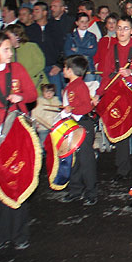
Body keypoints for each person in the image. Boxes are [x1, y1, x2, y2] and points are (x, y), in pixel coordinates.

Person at [0, 30, 37, 252]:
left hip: (17, 131)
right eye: (6, 49)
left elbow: (31, 94)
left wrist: (21, 98)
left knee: (18, 180)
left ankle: (19, 233)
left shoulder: (17, 69)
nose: (11, 52)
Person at [94, 16, 132, 182]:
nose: (121, 31)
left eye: (125, 28)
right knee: (120, 133)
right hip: (119, 98)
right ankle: (122, 168)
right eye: (119, 28)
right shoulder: (111, 50)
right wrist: (99, 94)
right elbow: (106, 76)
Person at [59, 55, 97, 206]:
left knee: (86, 161)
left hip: (84, 126)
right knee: (77, 160)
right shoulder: (70, 87)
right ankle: (75, 190)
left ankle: (91, 192)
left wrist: (71, 109)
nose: (63, 70)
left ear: (70, 70)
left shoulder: (79, 86)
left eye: (65, 67)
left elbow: (87, 107)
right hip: (75, 126)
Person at [5, 24, 47, 93]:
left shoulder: (31, 47)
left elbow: (40, 64)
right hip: (17, 87)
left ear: (17, 36)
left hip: (35, 84)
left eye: (8, 37)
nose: (6, 39)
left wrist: (25, 76)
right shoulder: (8, 51)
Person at [63, 12, 98, 78]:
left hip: (89, 68)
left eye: (86, 21)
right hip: (74, 69)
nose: (84, 24)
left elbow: (93, 51)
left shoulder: (92, 36)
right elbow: (68, 52)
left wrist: (77, 49)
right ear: (77, 23)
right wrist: (86, 50)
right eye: (82, 21)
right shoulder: (70, 36)